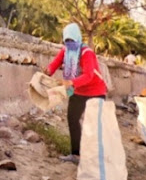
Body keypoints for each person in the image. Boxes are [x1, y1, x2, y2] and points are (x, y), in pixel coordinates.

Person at [44, 23, 107, 164]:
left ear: (78, 38)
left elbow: (89, 76)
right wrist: (48, 71)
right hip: (78, 91)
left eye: (72, 40)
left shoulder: (86, 53)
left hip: (95, 91)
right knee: (73, 119)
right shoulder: (66, 51)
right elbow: (55, 64)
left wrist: (70, 82)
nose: (69, 43)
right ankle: (76, 154)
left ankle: (97, 156)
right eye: (67, 41)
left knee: (94, 125)